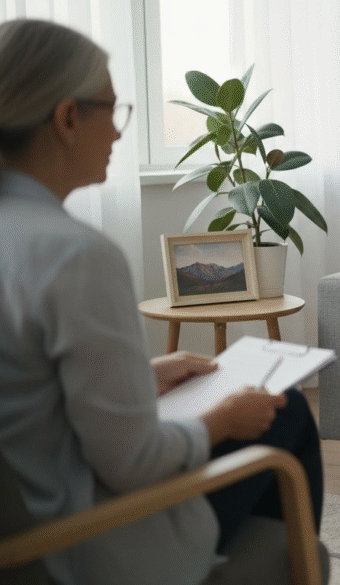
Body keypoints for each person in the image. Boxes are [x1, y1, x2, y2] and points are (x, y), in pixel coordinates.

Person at [0, 19, 322, 584]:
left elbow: (24, 396)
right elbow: (133, 463)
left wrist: (139, 376)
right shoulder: (73, 255)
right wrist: (225, 416)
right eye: (113, 109)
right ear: (67, 117)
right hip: (81, 544)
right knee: (285, 411)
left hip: (26, 520)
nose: (120, 133)